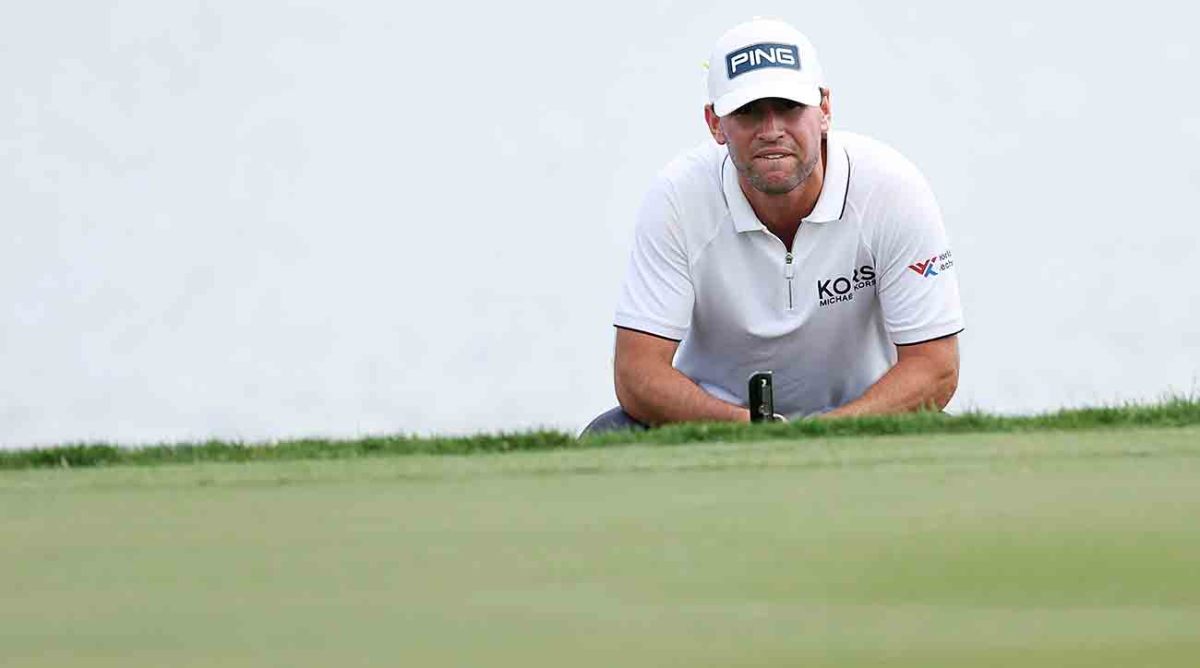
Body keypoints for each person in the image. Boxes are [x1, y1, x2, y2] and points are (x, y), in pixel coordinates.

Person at [582, 17, 964, 435]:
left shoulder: (893, 188)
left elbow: (936, 369)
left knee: (950, 440)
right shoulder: (677, 195)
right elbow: (636, 373)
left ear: (824, 110)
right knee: (608, 433)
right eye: (747, 112)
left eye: (788, 107)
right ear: (715, 124)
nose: (771, 131)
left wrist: (818, 435)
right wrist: (750, 431)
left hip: (865, 422)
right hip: (718, 425)